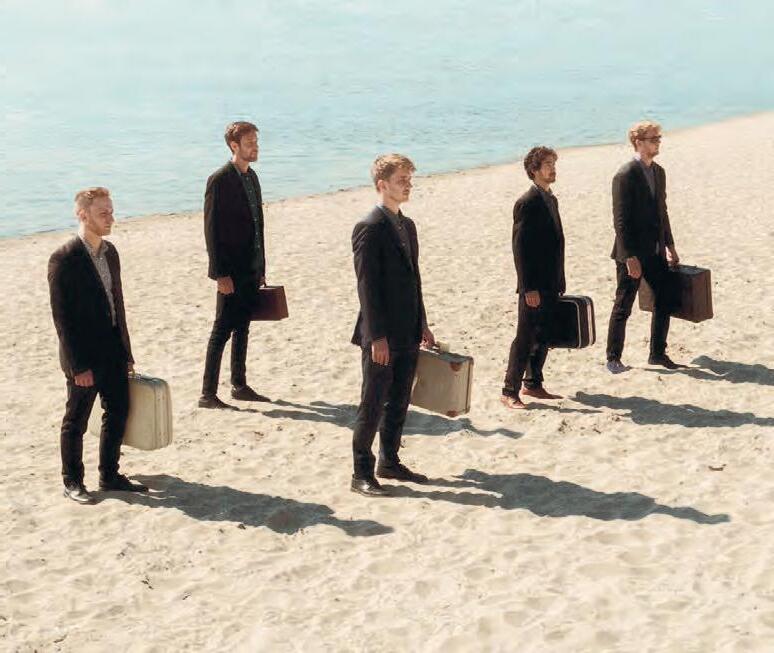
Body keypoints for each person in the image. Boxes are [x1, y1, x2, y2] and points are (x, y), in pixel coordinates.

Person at [48, 187, 147, 504]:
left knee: (118, 411)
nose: (110, 218)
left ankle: (109, 475)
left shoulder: (111, 252)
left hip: (113, 349)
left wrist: (127, 352)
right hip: (84, 357)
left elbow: (118, 304)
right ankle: (72, 481)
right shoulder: (64, 257)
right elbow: (62, 319)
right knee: (75, 421)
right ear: (82, 214)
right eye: (103, 213)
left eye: (111, 211)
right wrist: (78, 366)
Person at [350, 154, 435, 497]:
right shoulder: (369, 227)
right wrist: (376, 337)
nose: (408, 185)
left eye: (410, 179)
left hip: (408, 329)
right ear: (382, 184)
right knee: (372, 404)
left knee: (399, 400)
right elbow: (367, 288)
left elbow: (415, 279)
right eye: (402, 180)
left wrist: (423, 323)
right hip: (381, 335)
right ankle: (361, 473)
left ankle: (389, 461)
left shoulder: (407, 225)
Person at [199, 121, 270, 408]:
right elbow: (211, 230)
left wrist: (261, 267)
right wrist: (220, 274)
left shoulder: (252, 177)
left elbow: (258, 225)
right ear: (234, 145)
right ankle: (207, 394)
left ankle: (239, 385)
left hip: (251, 267)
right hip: (230, 270)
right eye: (250, 143)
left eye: (256, 142)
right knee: (221, 330)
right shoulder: (219, 180)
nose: (255, 147)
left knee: (243, 327)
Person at [606, 120, 681, 373]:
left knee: (665, 298)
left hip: (655, 250)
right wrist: (629, 257)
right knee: (623, 305)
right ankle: (613, 358)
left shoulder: (659, 172)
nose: (658, 143)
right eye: (653, 139)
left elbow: (662, 211)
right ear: (638, 143)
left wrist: (670, 244)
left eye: (659, 138)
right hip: (631, 254)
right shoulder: (625, 175)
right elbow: (620, 220)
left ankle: (657, 353)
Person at [502, 146, 566, 410]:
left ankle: (533, 383)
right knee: (525, 337)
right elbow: (520, 248)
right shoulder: (527, 202)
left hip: (551, 281)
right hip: (533, 284)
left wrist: (560, 279)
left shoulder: (551, 199)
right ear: (534, 170)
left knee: (544, 334)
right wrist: (527, 287)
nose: (553, 168)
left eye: (553, 163)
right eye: (547, 164)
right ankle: (509, 390)